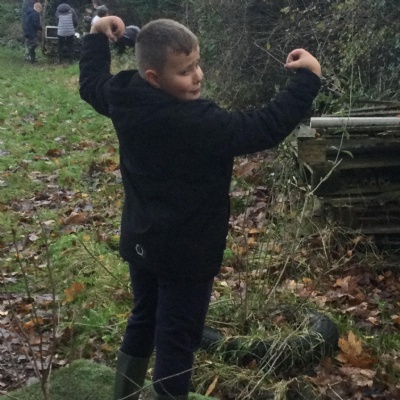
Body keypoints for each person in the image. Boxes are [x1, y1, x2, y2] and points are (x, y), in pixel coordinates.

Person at [79, 16, 321, 400]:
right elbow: (264, 127)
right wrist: (308, 79)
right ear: (154, 77)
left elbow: (91, 82)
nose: (197, 76)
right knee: (177, 338)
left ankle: (123, 395)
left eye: (197, 64)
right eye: (185, 71)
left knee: (143, 319)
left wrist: (95, 35)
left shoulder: (123, 95)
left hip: (142, 241)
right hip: (188, 253)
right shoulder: (197, 123)